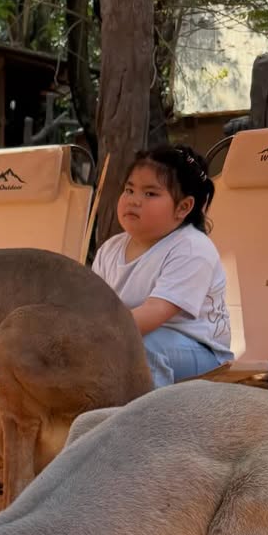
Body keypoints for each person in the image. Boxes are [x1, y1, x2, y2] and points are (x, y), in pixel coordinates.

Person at [92, 144, 233, 387]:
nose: (134, 200)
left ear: (183, 207)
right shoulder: (111, 248)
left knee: (139, 350)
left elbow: (154, 312)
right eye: (129, 190)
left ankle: (149, 423)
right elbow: (91, 304)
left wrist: (95, 333)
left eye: (150, 194)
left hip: (201, 350)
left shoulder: (191, 248)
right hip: (129, 337)